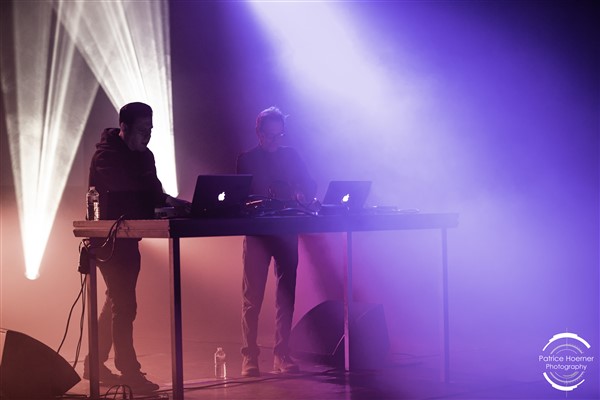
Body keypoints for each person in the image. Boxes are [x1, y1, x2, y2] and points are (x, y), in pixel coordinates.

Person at [84, 102, 189, 392]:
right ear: (124, 127)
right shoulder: (105, 156)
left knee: (116, 301)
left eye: (151, 129)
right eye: (143, 130)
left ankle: (94, 364)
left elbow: (152, 193)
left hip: (128, 238)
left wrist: (176, 204)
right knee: (124, 305)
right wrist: (157, 201)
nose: (148, 135)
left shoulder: (146, 156)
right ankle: (129, 371)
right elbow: (128, 194)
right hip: (107, 240)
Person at [236, 106, 316, 377]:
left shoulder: (291, 155)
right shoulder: (247, 159)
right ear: (258, 132)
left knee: (286, 295)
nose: (274, 140)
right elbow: (241, 195)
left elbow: (310, 184)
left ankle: (282, 354)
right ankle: (250, 356)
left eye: (278, 135)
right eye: (269, 135)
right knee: (252, 297)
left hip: (285, 230)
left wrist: (302, 193)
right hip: (258, 233)